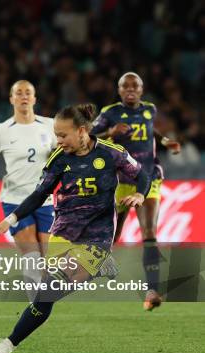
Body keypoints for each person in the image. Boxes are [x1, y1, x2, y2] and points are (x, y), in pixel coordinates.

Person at [0, 104, 150, 353]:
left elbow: (143, 175)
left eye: (63, 135)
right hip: (62, 234)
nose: (58, 140)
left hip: (96, 237)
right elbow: (40, 194)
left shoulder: (111, 153)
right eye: (56, 135)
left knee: (48, 291)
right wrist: (11, 218)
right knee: (45, 296)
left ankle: (7, 344)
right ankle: (101, 267)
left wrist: (139, 194)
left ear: (82, 131)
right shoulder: (59, 159)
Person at [91, 72, 181, 311]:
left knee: (149, 232)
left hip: (149, 176)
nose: (130, 89)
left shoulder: (150, 109)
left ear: (141, 89)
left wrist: (166, 142)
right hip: (119, 180)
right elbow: (88, 137)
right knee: (113, 235)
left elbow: (152, 133)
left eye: (135, 85)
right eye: (125, 86)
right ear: (119, 90)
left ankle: (152, 290)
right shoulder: (109, 113)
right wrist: (109, 133)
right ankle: (90, 272)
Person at [0, 80, 56, 290]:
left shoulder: (50, 126)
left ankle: (40, 300)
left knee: (46, 257)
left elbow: (67, 150)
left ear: (35, 98)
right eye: (19, 93)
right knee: (31, 254)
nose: (24, 96)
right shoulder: (2, 130)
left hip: (44, 198)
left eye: (28, 93)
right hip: (14, 199)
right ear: (12, 99)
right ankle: (36, 308)